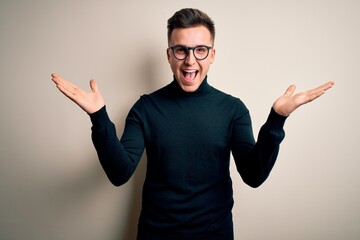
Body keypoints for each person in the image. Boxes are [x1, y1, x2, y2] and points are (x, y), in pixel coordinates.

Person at [51, 8, 334, 240]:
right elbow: (119, 172)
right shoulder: (145, 108)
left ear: (212, 55)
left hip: (215, 234)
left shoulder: (232, 110)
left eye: (200, 50)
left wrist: (277, 119)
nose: (190, 61)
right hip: (156, 234)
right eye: (181, 50)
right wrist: (99, 117)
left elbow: (253, 175)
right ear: (169, 54)